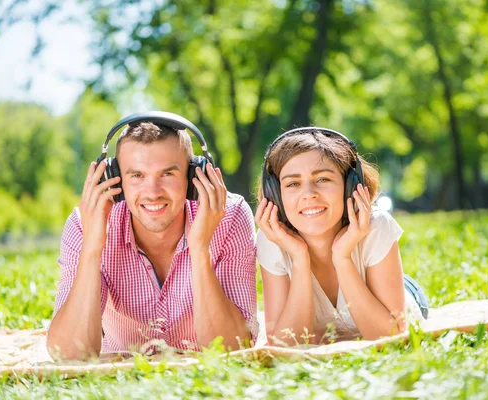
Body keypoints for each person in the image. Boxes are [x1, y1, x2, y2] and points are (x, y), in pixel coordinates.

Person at [47, 113, 258, 360]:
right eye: (137, 176)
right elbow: (69, 355)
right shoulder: (86, 224)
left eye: (167, 174)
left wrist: (200, 248)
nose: (153, 192)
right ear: (115, 179)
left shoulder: (230, 216)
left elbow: (233, 351)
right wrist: (93, 247)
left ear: (193, 177)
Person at [255, 127, 428, 346]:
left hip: (401, 292)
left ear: (350, 187)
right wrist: (299, 259)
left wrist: (343, 258)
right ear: (275, 195)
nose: (308, 193)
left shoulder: (376, 226)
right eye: (293, 184)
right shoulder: (272, 238)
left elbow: (390, 336)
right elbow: (284, 346)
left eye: (322, 180)